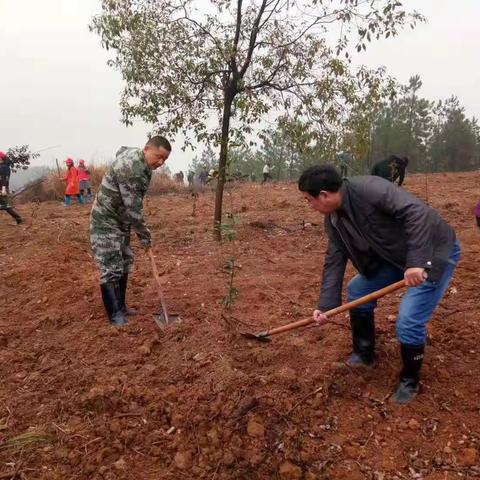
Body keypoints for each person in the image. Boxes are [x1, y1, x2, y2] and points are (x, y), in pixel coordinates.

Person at [298, 165, 459, 404]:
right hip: (396, 257)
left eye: (308, 200)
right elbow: (334, 261)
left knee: (408, 320)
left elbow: (417, 213)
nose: (310, 206)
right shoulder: (333, 221)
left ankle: (409, 380)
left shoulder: (371, 189)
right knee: (357, 290)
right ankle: (364, 355)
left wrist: (417, 262)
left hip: (432, 253)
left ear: (323, 195)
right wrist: (326, 306)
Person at [90, 136, 171, 326]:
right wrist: (145, 236)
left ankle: (122, 306)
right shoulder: (132, 169)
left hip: (121, 220)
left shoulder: (144, 165)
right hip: (106, 220)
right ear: (146, 149)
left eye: (164, 160)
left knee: (125, 260)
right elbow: (134, 209)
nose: (160, 162)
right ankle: (115, 315)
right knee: (110, 267)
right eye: (158, 157)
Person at [0, 152, 22, 224]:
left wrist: (3, 189)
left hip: (2, 188)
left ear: (1, 158)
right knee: (5, 205)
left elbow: (5, 178)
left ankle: (18, 219)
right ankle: (18, 219)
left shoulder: (4, 167)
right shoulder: (2, 166)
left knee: (5, 206)